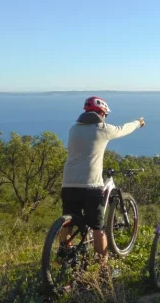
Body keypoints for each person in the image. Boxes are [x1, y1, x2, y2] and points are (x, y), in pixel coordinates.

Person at [60, 96, 145, 263]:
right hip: (91, 185)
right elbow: (123, 129)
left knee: (67, 223)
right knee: (97, 228)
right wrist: (138, 122)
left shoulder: (73, 129)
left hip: (68, 183)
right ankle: (102, 267)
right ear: (101, 113)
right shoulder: (102, 129)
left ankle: (65, 253)